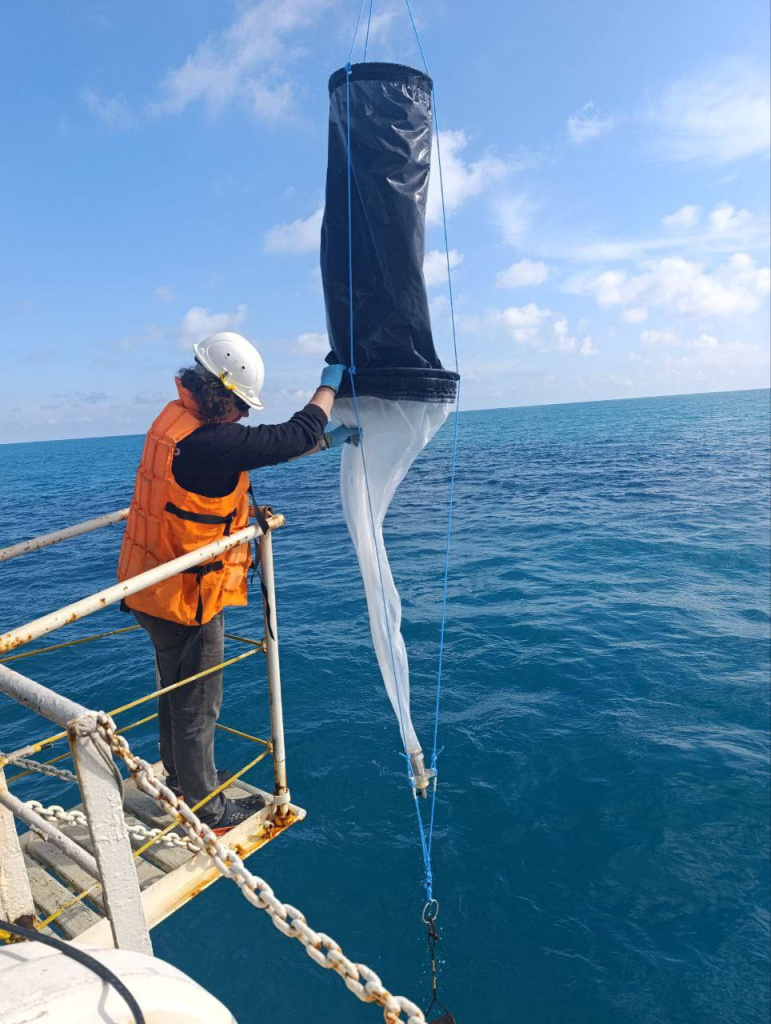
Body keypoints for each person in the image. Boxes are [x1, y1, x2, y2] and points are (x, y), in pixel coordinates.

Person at [117, 331, 357, 834]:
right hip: (188, 598)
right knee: (198, 705)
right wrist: (328, 386)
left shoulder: (175, 423)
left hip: (147, 586)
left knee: (174, 692)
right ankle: (208, 810)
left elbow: (256, 452)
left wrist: (327, 441)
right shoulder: (211, 441)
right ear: (219, 394)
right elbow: (289, 436)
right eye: (241, 404)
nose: (245, 414)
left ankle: (181, 780)